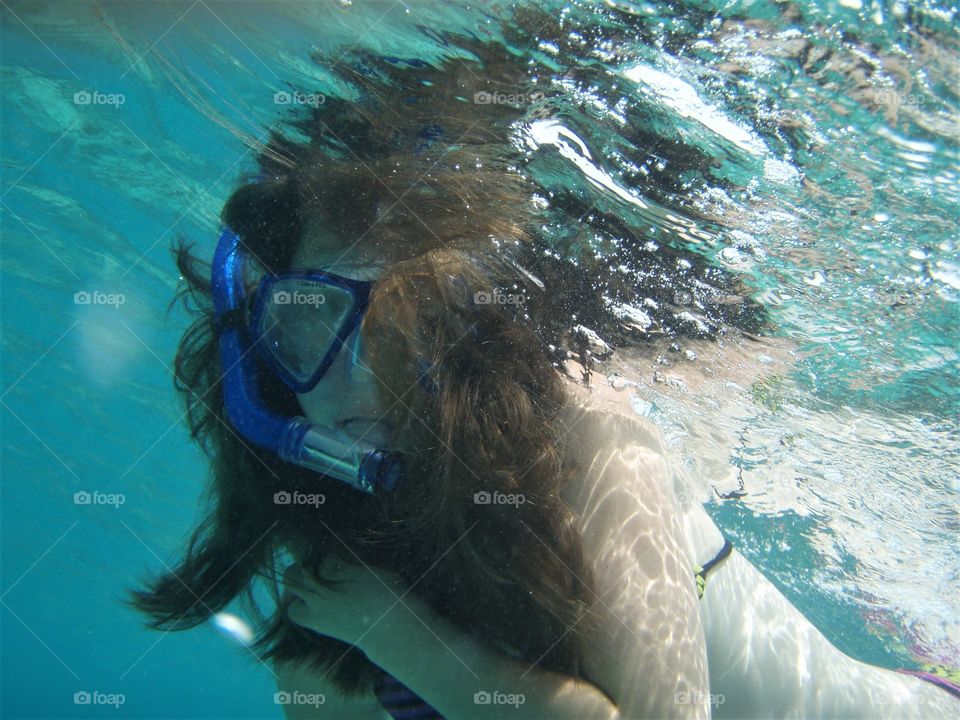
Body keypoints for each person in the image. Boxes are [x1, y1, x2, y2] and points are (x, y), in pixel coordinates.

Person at [130, 49, 959, 720]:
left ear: (471, 335)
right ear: (260, 347)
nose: (358, 381)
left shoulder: (592, 445)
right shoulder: (329, 577)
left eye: (409, 324)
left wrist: (405, 640)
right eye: (309, 320)